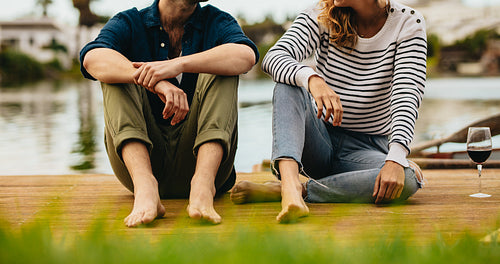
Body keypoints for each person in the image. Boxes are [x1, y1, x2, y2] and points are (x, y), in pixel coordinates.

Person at [231, 0, 426, 223]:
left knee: (408, 178)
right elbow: (274, 57)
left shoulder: (408, 22)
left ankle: (303, 191)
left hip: (366, 151)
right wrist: (312, 79)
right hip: (318, 141)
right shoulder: (321, 13)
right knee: (287, 84)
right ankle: (289, 185)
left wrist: (396, 157)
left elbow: (407, 94)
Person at [80, 0, 259, 227]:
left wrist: (179, 65)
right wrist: (156, 83)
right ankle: (146, 189)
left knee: (223, 65)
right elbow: (92, 58)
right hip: (138, 171)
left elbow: (246, 56)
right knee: (117, 71)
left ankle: (202, 186)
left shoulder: (217, 21)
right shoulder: (130, 22)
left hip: (207, 169)